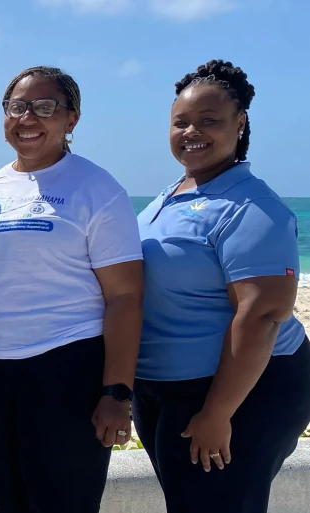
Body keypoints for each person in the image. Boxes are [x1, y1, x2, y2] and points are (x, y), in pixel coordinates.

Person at [0, 66, 144, 513]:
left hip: (68, 371)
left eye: (45, 107)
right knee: (8, 502)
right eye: (17, 107)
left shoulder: (98, 189)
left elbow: (125, 297)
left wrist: (117, 393)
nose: (28, 117)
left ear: (71, 120)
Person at [133, 59, 310, 513]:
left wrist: (218, 413)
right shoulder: (174, 193)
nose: (192, 131)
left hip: (237, 391)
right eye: (181, 122)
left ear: (240, 123)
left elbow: (263, 314)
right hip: (165, 386)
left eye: (209, 121)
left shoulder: (253, 207)